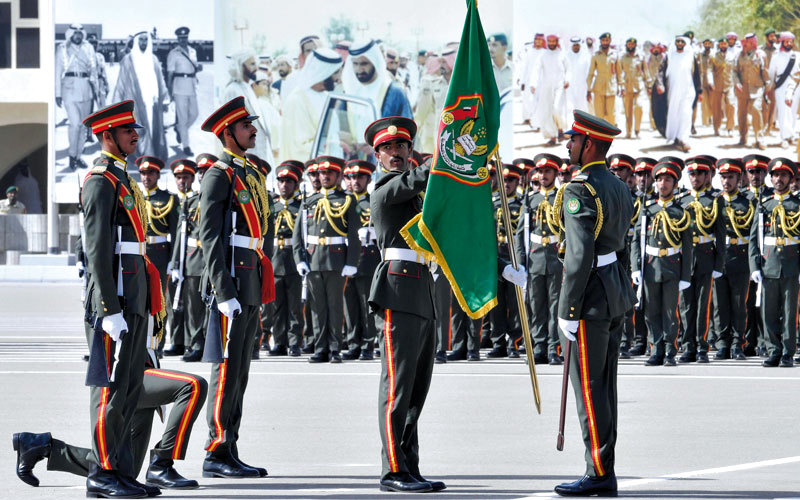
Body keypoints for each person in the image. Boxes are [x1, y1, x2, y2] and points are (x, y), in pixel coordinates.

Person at [79, 100, 162, 498]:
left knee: (129, 389)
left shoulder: (122, 178)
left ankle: (122, 470)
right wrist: (109, 309)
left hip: (134, 294)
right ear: (107, 135)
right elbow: (96, 250)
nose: (135, 136)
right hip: (114, 300)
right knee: (109, 391)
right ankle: (101, 474)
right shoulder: (101, 180)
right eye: (127, 130)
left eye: (134, 130)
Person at [554, 110, 634, 497]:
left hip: (588, 299)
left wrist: (567, 310)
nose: (569, 145)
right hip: (613, 292)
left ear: (588, 144)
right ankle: (603, 468)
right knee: (605, 387)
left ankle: (599, 472)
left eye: (573, 140)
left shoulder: (579, 190)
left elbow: (579, 254)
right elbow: (619, 246)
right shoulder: (618, 185)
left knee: (589, 389)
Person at [198, 96, 275, 479]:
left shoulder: (249, 173)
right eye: (246, 126)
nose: (253, 130)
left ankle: (230, 447)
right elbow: (210, 237)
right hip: (232, 280)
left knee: (240, 370)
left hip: (250, 278)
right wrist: (224, 291)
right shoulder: (219, 174)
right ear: (228, 133)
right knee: (227, 369)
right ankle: (216, 450)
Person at [364, 117, 440, 493]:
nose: (395, 153)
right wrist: (447, 153)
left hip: (421, 289)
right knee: (396, 387)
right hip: (396, 290)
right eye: (387, 148)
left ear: (411, 151)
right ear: (377, 156)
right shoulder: (384, 189)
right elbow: (419, 179)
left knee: (415, 390)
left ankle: (409, 465)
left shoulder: (415, 196)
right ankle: (392, 469)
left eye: (401, 147)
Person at [13, 360, 207, 491]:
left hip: (145, 367)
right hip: (129, 372)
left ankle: (41, 447)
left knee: (124, 469)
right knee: (193, 385)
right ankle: (162, 462)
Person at [291, 155, 360, 363]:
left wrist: (351, 262)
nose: (325, 176)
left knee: (335, 307)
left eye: (330, 173)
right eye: (322, 173)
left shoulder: (347, 201)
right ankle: (320, 348)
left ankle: (335, 348)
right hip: (312, 260)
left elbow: (353, 235)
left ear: (338, 176)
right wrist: (299, 259)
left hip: (336, 261)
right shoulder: (308, 201)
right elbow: (298, 235)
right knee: (317, 308)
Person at [631, 156, 692, 368]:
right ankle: (655, 349)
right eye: (659, 180)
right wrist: (635, 268)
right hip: (650, 266)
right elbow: (636, 241)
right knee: (651, 312)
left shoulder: (681, 212)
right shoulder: (647, 210)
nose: (662, 184)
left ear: (674, 184)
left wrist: (685, 276)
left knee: (670, 313)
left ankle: (669, 351)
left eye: (667, 180)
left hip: (672, 267)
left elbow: (687, 247)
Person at [749, 157, 800, 368]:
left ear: (791, 179)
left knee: (789, 312)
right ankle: (773, 351)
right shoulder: (764, 205)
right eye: (776, 175)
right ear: (770, 178)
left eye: (784, 175)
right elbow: (754, 239)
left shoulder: (797, 205)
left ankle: (788, 351)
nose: (779, 179)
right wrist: (754, 266)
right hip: (768, 265)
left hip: (791, 265)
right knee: (768, 312)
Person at [676, 156, 725, 363]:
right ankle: (688, 346)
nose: (695, 178)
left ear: (707, 176)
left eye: (699, 174)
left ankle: (702, 347)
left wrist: (719, 263)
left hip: (706, 256)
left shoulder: (715, 200)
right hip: (686, 259)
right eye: (692, 174)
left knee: (703, 305)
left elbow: (721, 234)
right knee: (686, 306)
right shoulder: (681, 199)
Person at [518, 153, 563, 365]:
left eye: (547, 171)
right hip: (535, 257)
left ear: (555, 174)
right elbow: (521, 233)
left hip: (555, 258)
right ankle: (539, 347)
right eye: (540, 171)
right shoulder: (531, 199)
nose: (543, 175)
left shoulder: (561, 198)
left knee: (555, 306)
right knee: (536, 306)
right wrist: (520, 262)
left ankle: (554, 348)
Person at [341, 159, 380, 360]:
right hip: (345, 259)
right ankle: (353, 343)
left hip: (366, 259)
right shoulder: (341, 203)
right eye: (350, 177)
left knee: (366, 305)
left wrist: (373, 234)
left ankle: (367, 344)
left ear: (368, 179)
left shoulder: (373, 202)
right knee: (349, 306)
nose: (354, 181)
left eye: (359, 177)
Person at [713, 158, 752, 360]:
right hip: (719, 256)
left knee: (738, 304)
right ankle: (722, 343)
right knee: (719, 304)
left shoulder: (748, 203)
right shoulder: (714, 201)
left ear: (739, 178)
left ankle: (737, 343)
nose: (726, 181)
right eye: (723, 177)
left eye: (730, 177)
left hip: (740, 256)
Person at [168, 158, 206, 362]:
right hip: (192, 259)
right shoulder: (190, 202)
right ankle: (194, 344)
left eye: (206, 172)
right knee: (192, 308)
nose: (202, 175)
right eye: (201, 172)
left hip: (211, 260)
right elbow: (180, 236)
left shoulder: (221, 200)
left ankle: (206, 344)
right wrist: (176, 263)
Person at [487, 163, 524, 359]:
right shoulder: (492, 204)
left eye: (510, 180)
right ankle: (498, 342)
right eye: (504, 180)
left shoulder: (521, 205)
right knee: (496, 303)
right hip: (496, 256)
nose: (507, 184)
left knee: (515, 302)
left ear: (517, 182)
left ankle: (514, 342)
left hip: (513, 256)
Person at [269, 160, 305, 357]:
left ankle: (294, 342)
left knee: (295, 306)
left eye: (289, 182)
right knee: (276, 305)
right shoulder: (272, 207)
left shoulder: (300, 207)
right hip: (275, 260)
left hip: (293, 260)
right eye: (281, 181)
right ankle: (279, 342)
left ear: (296, 185)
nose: (284, 185)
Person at [281, 49, 344, 161]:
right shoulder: (297, 100)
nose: (339, 78)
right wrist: (334, 145)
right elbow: (300, 147)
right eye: (335, 72)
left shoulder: (326, 96)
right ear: (323, 73)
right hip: (313, 167)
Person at [114, 32, 168, 159]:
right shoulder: (128, 59)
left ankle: (151, 154)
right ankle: (141, 155)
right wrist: (118, 102)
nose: (143, 42)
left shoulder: (153, 59)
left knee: (153, 127)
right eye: (141, 40)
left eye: (146, 40)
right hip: (135, 100)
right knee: (138, 128)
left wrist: (165, 99)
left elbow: (160, 79)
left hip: (152, 100)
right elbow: (121, 81)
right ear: (136, 41)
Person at [55, 24, 97, 171]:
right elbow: (57, 71)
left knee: (84, 126)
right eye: (75, 33)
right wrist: (58, 94)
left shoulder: (88, 47)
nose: (78, 36)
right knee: (74, 124)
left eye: (80, 33)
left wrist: (95, 88)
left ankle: (78, 156)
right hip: (69, 88)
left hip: (85, 88)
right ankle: (72, 156)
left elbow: (93, 69)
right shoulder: (63, 48)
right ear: (70, 34)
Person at [224, 48, 274, 162]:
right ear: (240, 66)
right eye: (252, 64)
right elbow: (232, 128)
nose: (256, 68)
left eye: (256, 63)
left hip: (258, 152)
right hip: (246, 155)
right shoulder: (233, 90)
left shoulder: (247, 88)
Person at [166, 26, 202, 156]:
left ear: (187, 38)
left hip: (192, 86)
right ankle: (186, 146)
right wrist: (169, 91)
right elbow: (170, 74)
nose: (183, 40)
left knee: (195, 114)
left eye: (185, 37)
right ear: (177, 39)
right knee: (183, 117)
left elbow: (194, 67)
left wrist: (198, 68)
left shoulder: (193, 51)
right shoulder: (173, 53)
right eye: (180, 38)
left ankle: (179, 128)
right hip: (179, 88)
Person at [734, 33, 770, 150]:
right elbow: (734, 71)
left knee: (756, 109)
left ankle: (759, 138)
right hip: (742, 89)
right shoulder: (739, 55)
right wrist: (737, 82)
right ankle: (743, 136)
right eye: (745, 42)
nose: (746, 44)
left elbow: (765, 71)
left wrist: (767, 85)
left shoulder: (761, 54)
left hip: (757, 87)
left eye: (749, 42)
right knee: (742, 113)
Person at [531, 35, 568, 145]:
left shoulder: (562, 54)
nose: (551, 43)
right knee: (547, 111)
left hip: (559, 86)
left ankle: (560, 129)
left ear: (557, 42)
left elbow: (568, 69)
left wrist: (567, 80)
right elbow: (536, 69)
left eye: (553, 41)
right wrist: (533, 84)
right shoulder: (543, 55)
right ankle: (552, 137)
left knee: (556, 108)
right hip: (546, 87)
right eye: (549, 41)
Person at [771, 32, 799, 148]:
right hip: (781, 86)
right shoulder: (776, 56)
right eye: (786, 41)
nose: (789, 44)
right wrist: (770, 88)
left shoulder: (797, 55)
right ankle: (784, 138)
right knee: (783, 111)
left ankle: (791, 135)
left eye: (791, 41)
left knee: (792, 111)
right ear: (782, 42)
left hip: (795, 86)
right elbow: (771, 73)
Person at [586, 32, 618, 126]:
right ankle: (600, 133)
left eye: (607, 40)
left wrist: (621, 87)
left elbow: (619, 73)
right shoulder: (595, 55)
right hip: (598, 88)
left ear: (610, 41)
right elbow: (591, 73)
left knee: (611, 114)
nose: (605, 42)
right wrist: (588, 90)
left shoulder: (615, 55)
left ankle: (611, 132)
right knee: (599, 114)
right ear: (600, 42)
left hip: (611, 87)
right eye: (603, 40)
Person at [617, 38, 645, 138]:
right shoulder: (622, 57)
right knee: (628, 111)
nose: (630, 46)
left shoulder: (641, 56)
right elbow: (619, 73)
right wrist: (621, 87)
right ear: (626, 45)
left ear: (635, 45)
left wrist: (649, 85)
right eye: (629, 44)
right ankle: (628, 132)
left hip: (639, 86)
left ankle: (637, 130)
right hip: (627, 86)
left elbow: (645, 71)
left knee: (639, 106)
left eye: (632, 44)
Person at [709, 38, 737, 137]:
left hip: (729, 84)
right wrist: (710, 81)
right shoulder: (713, 56)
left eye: (725, 44)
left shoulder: (732, 56)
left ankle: (730, 128)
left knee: (731, 105)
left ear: (727, 45)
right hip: (717, 85)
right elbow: (709, 70)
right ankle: (716, 127)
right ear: (719, 45)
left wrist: (737, 82)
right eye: (721, 44)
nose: (723, 45)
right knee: (716, 107)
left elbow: (735, 70)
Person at [564, 37, 590, 114]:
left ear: (580, 45)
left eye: (577, 45)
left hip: (582, 86)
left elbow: (588, 72)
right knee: (569, 106)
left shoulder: (586, 56)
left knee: (582, 106)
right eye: (574, 45)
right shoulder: (566, 56)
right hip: (569, 86)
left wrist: (589, 86)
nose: (576, 47)